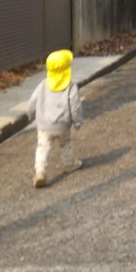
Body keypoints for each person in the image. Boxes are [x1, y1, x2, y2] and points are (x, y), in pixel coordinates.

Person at [26, 49, 83, 188]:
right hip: (63, 126)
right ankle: (69, 163)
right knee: (66, 144)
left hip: (44, 126)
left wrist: (30, 115)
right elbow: (75, 106)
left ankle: (40, 171)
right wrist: (77, 122)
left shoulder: (43, 85)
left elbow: (32, 102)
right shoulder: (71, 87)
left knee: (42, 148)